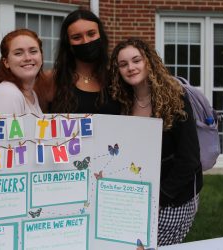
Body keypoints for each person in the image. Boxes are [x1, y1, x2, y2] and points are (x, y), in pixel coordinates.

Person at [109, 38, 203, 247]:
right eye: (123, 64)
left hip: (173, 197)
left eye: (136, 60)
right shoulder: (122, 102)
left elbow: (189, 159)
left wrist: (159, 199)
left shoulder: (175, 99)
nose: (131, 68)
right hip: (138, 196)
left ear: (149, 62)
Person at [34, 9, 120, 114]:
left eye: (91, 34)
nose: (86, 41)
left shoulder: (116, 80)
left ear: (101, 36)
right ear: (68, 43)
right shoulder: (51, 79)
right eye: (77, 37)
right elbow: (36, 122)